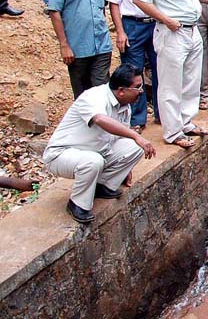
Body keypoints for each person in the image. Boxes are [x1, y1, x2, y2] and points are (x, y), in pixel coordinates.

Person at [43, 64, 157, 224]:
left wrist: (125, 167)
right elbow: (100, 119)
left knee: (134, 147)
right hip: (61, 155)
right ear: (121, 90)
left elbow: (120, 135)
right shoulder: (94, 97)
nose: (141, 92)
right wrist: (135, 135)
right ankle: (77, 204)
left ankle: (103, 185)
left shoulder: (124, 105)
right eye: (137, 87)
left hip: (96, 151)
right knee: (93, 161)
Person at [133, 0, 208, 149]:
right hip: (172, 32)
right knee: (170, 84)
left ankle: (186, 122)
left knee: (191, 80)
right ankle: (172, 131)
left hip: (191, 29)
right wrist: (166, 20)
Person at [48, 0, 113, 99]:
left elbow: (102, 8)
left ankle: (103, 124)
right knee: (83, 96)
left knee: (102, 91)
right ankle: (85, 124)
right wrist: (64, 45)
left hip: (102, 46)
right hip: (78, 49)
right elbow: (54, 12)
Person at [106, 0, 159, 131]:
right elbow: (114, 2)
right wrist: (120, 31)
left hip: (156, 24)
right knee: (133, 74)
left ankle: (164, 115)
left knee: (161, 69)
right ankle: (137, 119)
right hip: (132, 24)